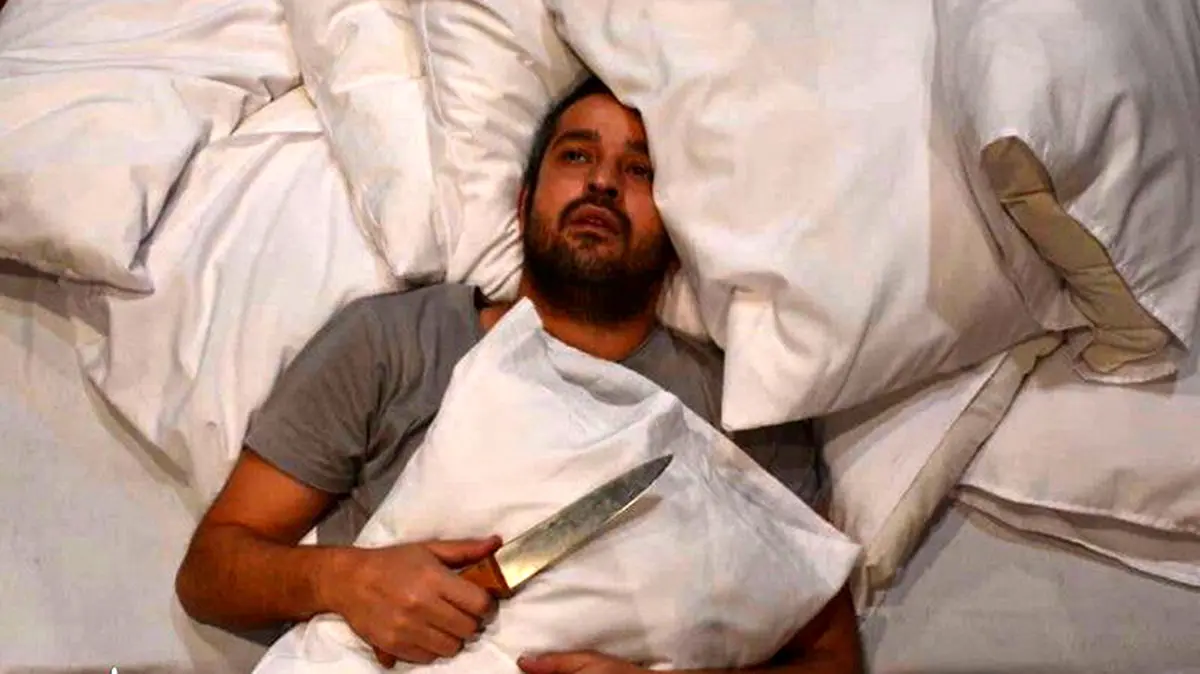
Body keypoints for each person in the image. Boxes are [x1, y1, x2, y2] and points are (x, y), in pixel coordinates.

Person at [176, 76, 863, 674]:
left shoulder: (742, 408)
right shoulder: (394, 343)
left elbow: (832, 662)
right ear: (524, 199)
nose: (602, 182)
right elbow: (209, 572)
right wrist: (345, 580)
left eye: (640, 170)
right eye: (577, 155)